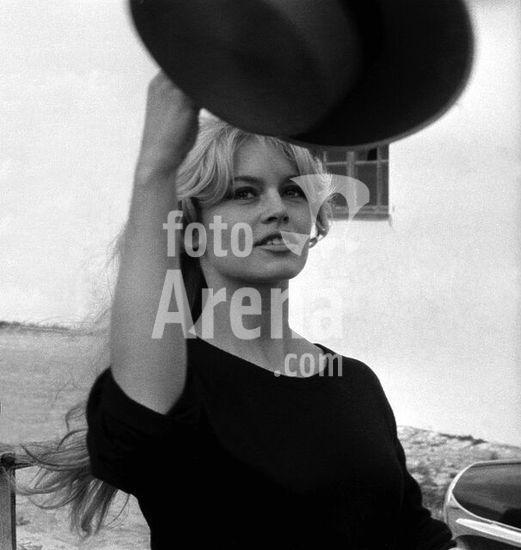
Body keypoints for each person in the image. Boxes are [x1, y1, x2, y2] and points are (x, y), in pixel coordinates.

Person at [28, 73, 458, 549]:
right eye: (244, 193)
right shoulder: (175, 384)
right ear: (191, 229)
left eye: (293, 191)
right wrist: (156, 168)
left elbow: (413, 535)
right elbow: (134, 430)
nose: (277, 209)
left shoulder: (355, 382)